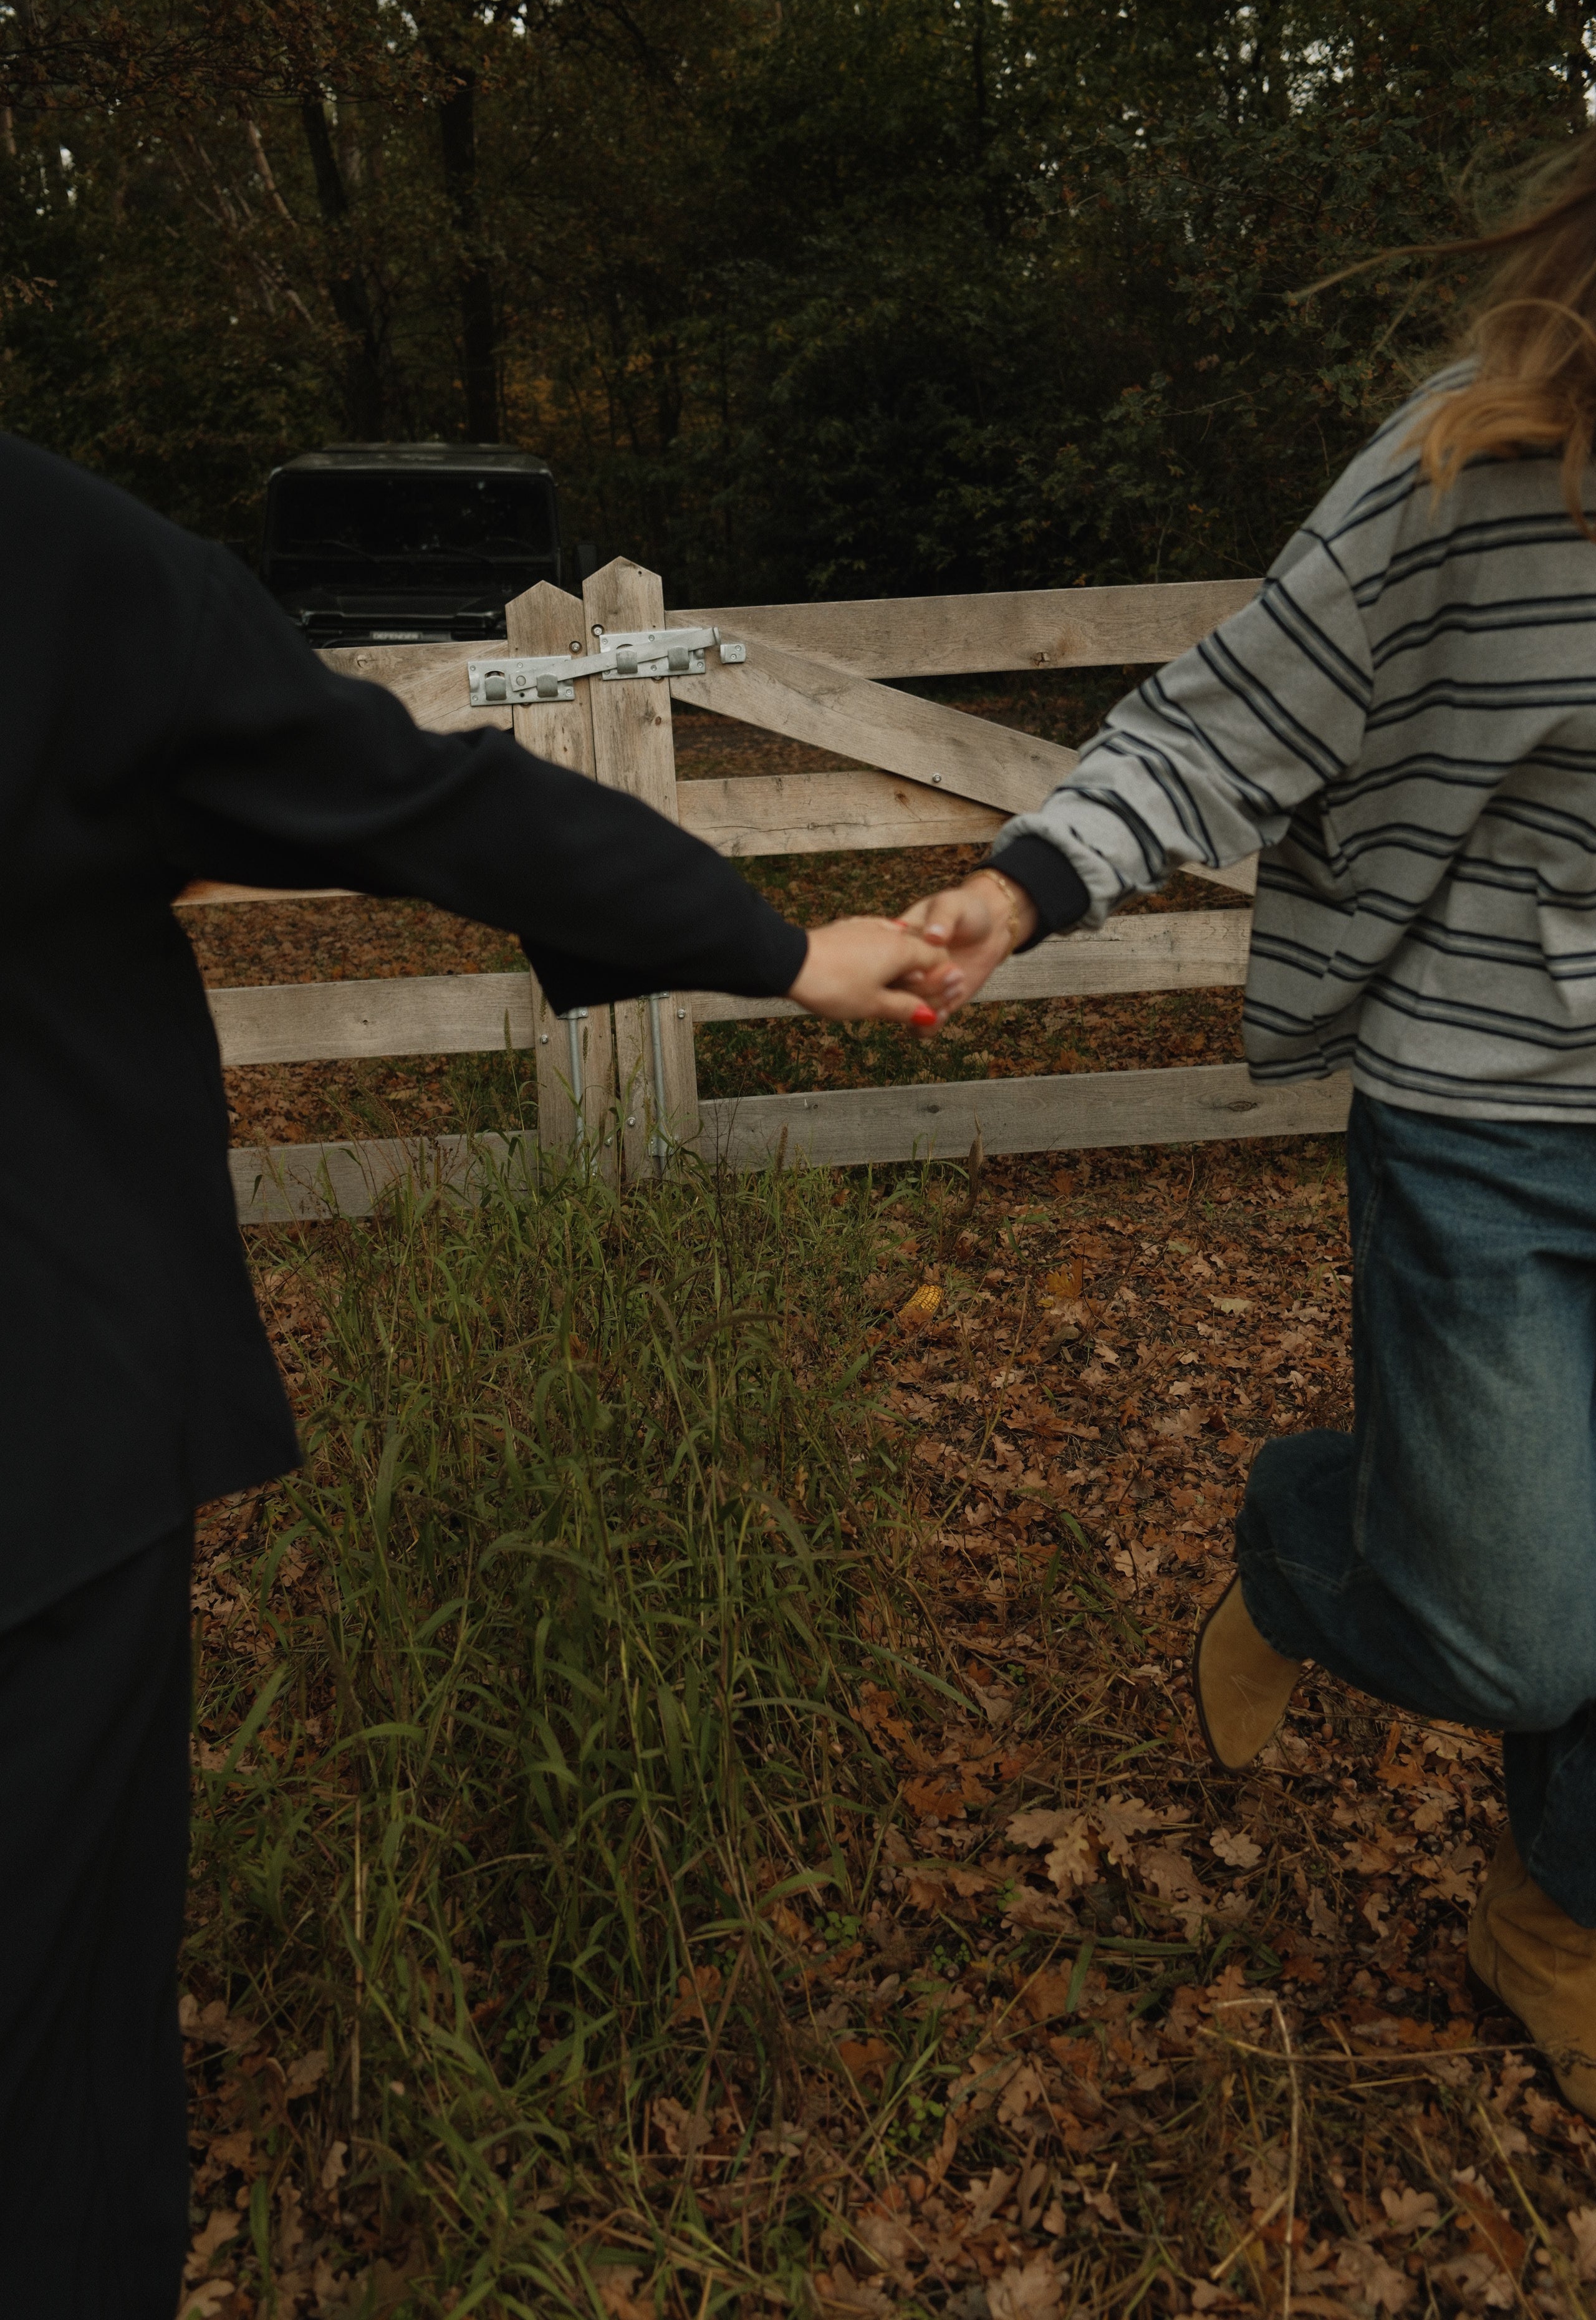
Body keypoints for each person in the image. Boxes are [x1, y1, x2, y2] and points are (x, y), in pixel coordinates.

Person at [0, 433, 955, 2318]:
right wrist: (771, 945)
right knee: (46, 2056)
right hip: (44, 1429)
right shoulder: (51, 569)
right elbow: (409, 798)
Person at [902, 132, 1596, 2118]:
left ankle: (1555, 1914)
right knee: (1522, 1630)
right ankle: (1318, 1540)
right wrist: (1026, 881)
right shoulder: (1483, 465)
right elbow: (1226, 715)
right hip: (1496, 1117)